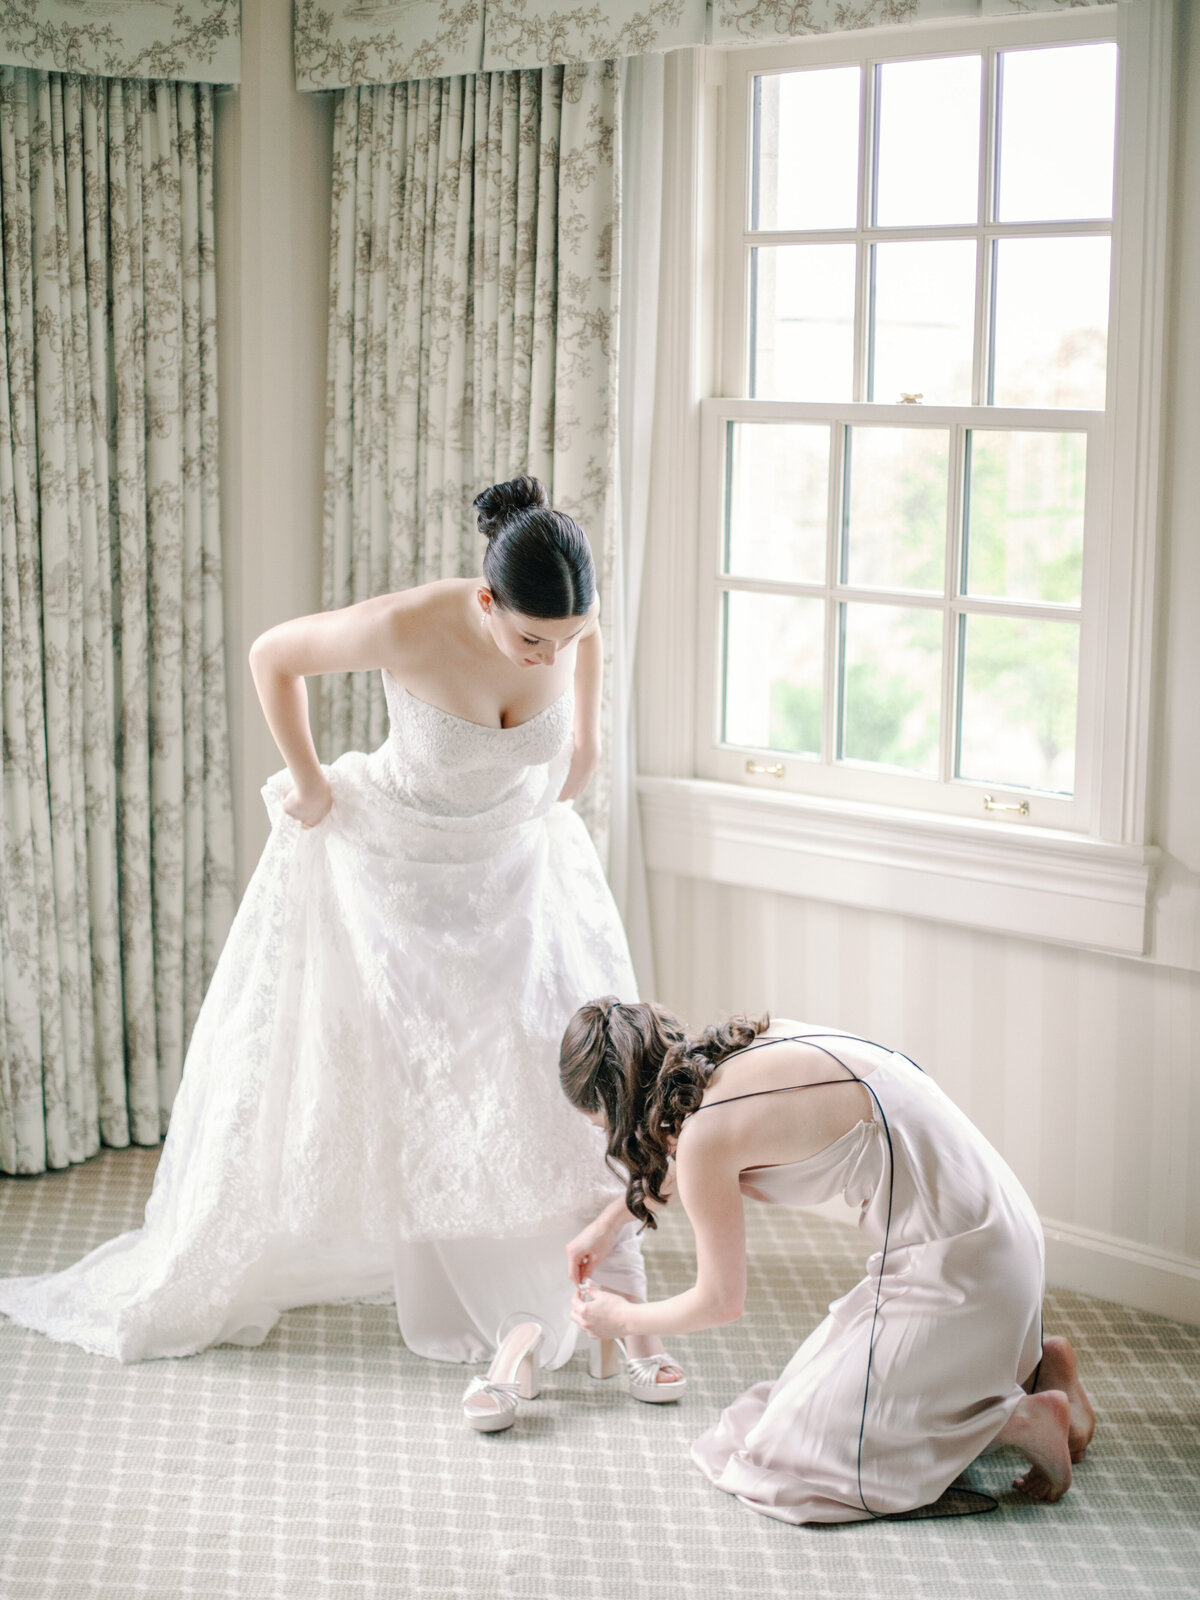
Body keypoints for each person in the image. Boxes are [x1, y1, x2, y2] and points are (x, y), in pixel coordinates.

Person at [0, 477, 680, 1397]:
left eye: (563, 639)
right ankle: (492, 1298)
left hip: (520, 867)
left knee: (545, 1072)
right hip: (399, 869)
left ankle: (593, 1294)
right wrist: (310, 782)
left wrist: (587, 738)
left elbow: (585, 648)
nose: (545, 657)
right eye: (530, 639)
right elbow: (272, 655)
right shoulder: (408, 624)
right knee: (442, 1080)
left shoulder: (567, 622)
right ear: (486, 602)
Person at [560, 1000, 1096, 1524]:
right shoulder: (740, 1055)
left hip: (963, 1271)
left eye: (599, 1123)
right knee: (786, 1409)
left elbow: (720, 1302)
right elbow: (687, 1162)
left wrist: (621, 1318)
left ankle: (1020, 1420)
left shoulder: (705, 1134)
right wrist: (610, 1225)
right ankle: (1035, 1366)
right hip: (1003, 1232)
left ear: (620, 1105)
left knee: (788, 1455)